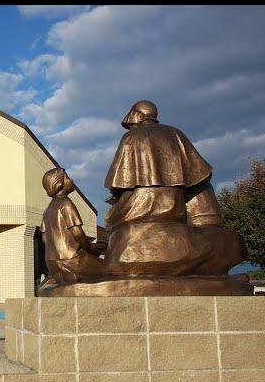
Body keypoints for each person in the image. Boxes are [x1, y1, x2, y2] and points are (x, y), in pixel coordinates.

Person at [102, 100, 244, 276]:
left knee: (111, 220)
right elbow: (199, 173)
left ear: (135, 117)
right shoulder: (176, 134)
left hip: (137, 209)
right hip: (175, 210)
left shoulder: (131, 138)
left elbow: (117, 186)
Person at [40, 168, 104, 284]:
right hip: (72, 259)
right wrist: (91, 248)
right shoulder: (66, 204)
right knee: (110, 269)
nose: (72, 180)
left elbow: (44, 238)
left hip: (52, 263)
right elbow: (77, 232)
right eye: (68, 178)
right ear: (59, 184)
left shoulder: (47, 210)